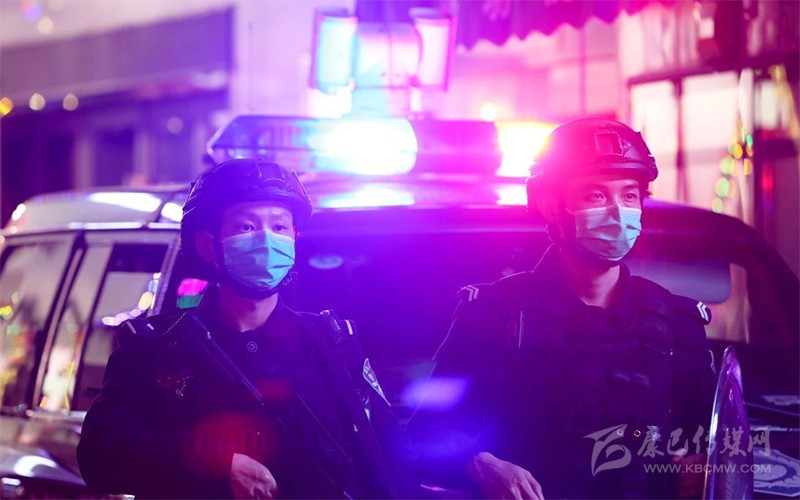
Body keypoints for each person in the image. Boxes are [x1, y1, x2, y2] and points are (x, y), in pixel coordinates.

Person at [410, 118, 716, 499]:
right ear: (552, 207)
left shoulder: (675, 325)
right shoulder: (492, 316)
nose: (618, 213)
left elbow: (714, 446)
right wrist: (480, 463)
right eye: (596, 196)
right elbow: (424, 434)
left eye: (629, 195)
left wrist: (699, 468)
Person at [77, 158, 415, 499]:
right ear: (208, 246)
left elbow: (391, 455)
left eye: (279, 227)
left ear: (294, 238)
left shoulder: (332, 342)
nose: (266, 240)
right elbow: (100, 456)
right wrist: (214, 466)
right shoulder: (158, 347)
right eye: (246, 227)